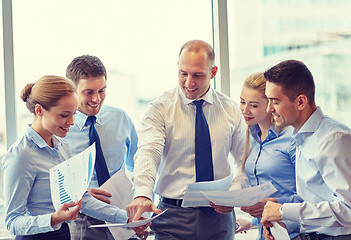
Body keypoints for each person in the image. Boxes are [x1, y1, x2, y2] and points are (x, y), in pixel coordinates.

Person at [126, 39, 247, 240]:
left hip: (219, 216)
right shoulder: (160, 108)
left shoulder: (231, 109)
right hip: (172, 216)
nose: (188, 83)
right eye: (183, 73)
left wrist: (234, 193)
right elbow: (149, 151)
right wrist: (142, 193)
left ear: (213, 72)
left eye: (197, 75)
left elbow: (244, 161)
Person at [2, 76, 147, 240]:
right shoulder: (22, 155)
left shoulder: (63, 147)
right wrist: (54, 218)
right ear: (39, 110)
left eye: (73, 114)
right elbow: (13, 222)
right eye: (64, 115)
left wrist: (128, 219)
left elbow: (82, 200)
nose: (71, 122)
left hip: (63, 234)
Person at [261, 60, 351, 240]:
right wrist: (285, 222)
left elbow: (348, 210)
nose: (269, 108)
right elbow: (315, 205)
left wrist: (283, 210)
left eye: (275, 101)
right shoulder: (301, 137)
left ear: (301, 101)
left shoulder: (333, 139)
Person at [64, 55, 138, 240]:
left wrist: (142, 205)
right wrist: (81, 194)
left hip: (123, 212)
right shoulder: (61, 130)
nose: (97, 99)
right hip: (83, 219)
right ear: (72, 89)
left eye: (102, 91)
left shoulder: (120, 118)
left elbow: (139, 166)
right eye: (88, 92)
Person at [235, 72, 301, 239]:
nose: (245, 110)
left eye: (254, 105)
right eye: (242, 102)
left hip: (293, 234)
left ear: (271, 105)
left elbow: (309, 196)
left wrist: (276, 205)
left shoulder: (291, 138)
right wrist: (252, 221)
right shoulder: (252, 138)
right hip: (266, 233)